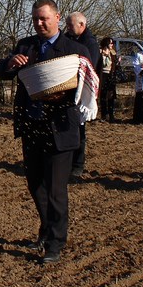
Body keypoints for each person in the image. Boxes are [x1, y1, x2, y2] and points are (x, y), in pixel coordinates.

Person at [0, 0, 88, 265]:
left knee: (56, 190)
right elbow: (1, 71)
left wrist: (65, 95)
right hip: (32, 126)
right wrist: (10, 63)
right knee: (36, 186)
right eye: (35, 19)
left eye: (44, 18)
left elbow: (89, 86)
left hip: (60, 128)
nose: (39, 23)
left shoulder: (74, 49)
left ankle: (55, 243)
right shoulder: (26, 46)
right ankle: (46, 231)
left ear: (57, 18)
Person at [64, 12, 101, 177]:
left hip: (80, 90)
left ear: (81, 25)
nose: (67, 28)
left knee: (79, 129)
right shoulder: (67, 38)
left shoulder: (90, 43)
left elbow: (89, 67)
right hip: (66, 88)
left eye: (70, 25)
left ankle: (77, 164)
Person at [98, 37, 118, 123]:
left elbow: (114, 63)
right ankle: (103, 115)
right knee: (103, 96)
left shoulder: (113, 52)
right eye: (110, 43)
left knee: (111, 96)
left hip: (111, 75)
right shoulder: (99, 52)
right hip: (102, 75)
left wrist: (117, 62)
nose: (112, 45)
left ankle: (111, 115)